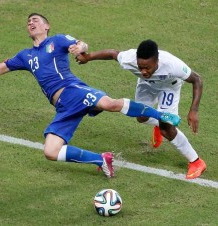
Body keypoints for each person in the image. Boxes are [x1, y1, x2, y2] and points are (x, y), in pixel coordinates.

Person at [0, 14, 181, 178]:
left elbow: (80, 44)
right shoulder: (25, 56)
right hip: (63, 107)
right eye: (28, 22)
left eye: (36, 20)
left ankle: (162, 115)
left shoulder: (58, 40)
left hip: (73, 90)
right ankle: (101, 160)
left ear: (46, 26)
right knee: (50, 151)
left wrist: (79, 47)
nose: (31, 22)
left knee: (110, 103)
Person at [75, 39, 206, 179]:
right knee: (141, 117)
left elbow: (197, 79)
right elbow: (113, 54)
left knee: (166, 128)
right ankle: (158, 122)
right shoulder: (130, 59)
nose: (143, 71)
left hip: (169, 87)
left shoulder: (172, 64)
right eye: (140, 67)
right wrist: (88, 57)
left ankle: (196, 161)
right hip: (147, 85)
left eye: (147, 67)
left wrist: (194, 110)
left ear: (157, 61)